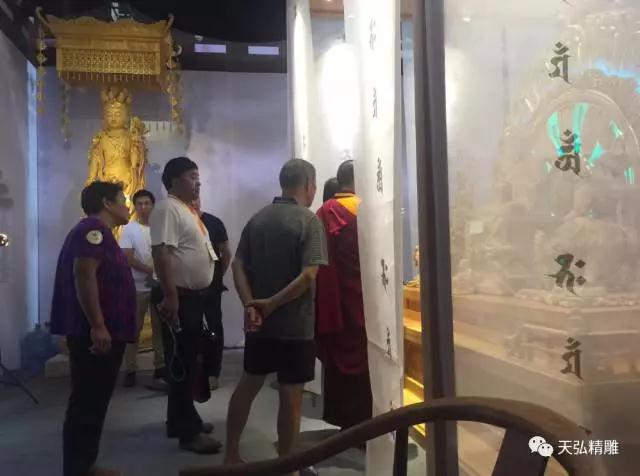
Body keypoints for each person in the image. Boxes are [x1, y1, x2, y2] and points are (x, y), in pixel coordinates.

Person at [224, 159, 328, 470]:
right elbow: (309, 276)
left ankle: (231, 455)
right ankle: (286, 466)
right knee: (291, 396)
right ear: (308, 185)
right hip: (296, 326)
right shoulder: (309, 221)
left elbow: (237, 265)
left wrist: (250, 304)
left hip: (260, 325)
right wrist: (270, 304)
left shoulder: (257, 220)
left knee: (248, 386)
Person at [50, 181, 135, 476]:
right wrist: (98, 325)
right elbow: (84, 274)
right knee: (88, 402)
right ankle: (78, 469)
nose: (127, 205)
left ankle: (85, 465)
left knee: (94, 401)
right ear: (107, 203)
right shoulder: (93, 230)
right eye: (123, 199)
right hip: (95, 334)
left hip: (103, 332)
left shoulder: (100, 233)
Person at [149, 157, 221, 454]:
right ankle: (187, 433)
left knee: (187, 361)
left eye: (198, 176)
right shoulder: (168, 208)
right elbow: (161, 253)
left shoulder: (185, 209)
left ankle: (180, 420)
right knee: (182, 364)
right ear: (175, 179)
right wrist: (171, 295)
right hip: (178, 296)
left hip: (191, 298)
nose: (198, 182)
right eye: (192, 176)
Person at [315, 160, 372, 431]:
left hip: (335, 302)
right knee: (366, 360)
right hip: (365, 299)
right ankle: (365, 423)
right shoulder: (366, 210)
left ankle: (344, 423)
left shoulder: (324, 211)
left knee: (340, 361)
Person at [119, 189, 166, 389]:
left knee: (159, 329)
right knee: (134, 329)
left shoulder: (160, 228)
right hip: (137, 286)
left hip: (159, 286)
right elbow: (127, 257)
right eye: (140, 204)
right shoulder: (129, 229)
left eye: (147, 203)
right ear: (135, 206)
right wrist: (150, 270)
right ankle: (130, 368)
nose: (144, 207)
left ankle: (160, 367)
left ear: (153, 205)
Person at [192, 197, 232, 390]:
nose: (193, 202)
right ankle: (193, 372)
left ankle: (213, 372)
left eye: (196, 198)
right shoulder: (179, 223)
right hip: (188, 288)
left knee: (214, 327)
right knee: (191, 329)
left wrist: (217, 276)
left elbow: (226, 253)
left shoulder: (214, 222)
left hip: (211, 288)